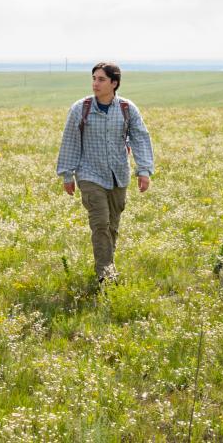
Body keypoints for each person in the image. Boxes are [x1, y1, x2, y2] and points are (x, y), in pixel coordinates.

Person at [57, 62, 154, 283]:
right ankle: (106, 276)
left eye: (101, 79)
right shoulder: (80, 108)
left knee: (112, 226)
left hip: (118, 175)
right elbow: (70, 141)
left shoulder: (127, 109)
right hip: (89, 174)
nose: (95, 83)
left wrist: (144, 170)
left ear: (114, 83)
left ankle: (108, 266)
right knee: (100, 223)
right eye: (94, 78)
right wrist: (67, 174)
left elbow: (140, 138)